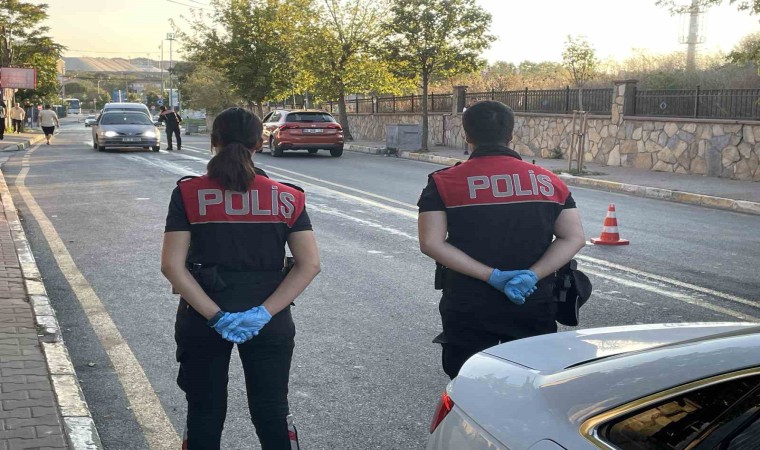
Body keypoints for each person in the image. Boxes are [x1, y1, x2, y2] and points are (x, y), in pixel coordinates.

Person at [161, 107, 320, 449]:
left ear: (213, 141)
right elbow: (309, 265)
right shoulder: (288, 196)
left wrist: (216, 316)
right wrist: (263, 313)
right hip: (269, 317)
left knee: (204, 411)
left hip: (201, 316)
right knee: (272, 411)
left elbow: (172, 266)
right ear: (259, 143)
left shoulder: (188, 194)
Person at [417, 100, 586, 379]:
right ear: (510, 134)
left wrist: (492, 276)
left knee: (469, 381)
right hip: (532, 300)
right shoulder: (548, 181)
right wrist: (532, 276)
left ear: (467, 135)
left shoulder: (444, 182)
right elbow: (573, 237)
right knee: (530, 381)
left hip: (469, 303)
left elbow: (431, 243)